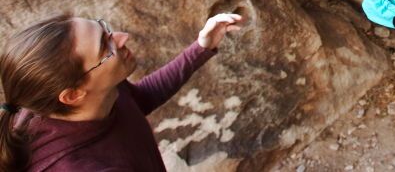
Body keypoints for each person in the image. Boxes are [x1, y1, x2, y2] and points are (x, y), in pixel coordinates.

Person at [0, 12, 243, 171]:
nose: (123, 37)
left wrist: (201, 47)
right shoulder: (77, 166)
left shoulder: (100, 92)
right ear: (73, 94)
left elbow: (139, 99)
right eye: (105, 47)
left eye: (104, 29)